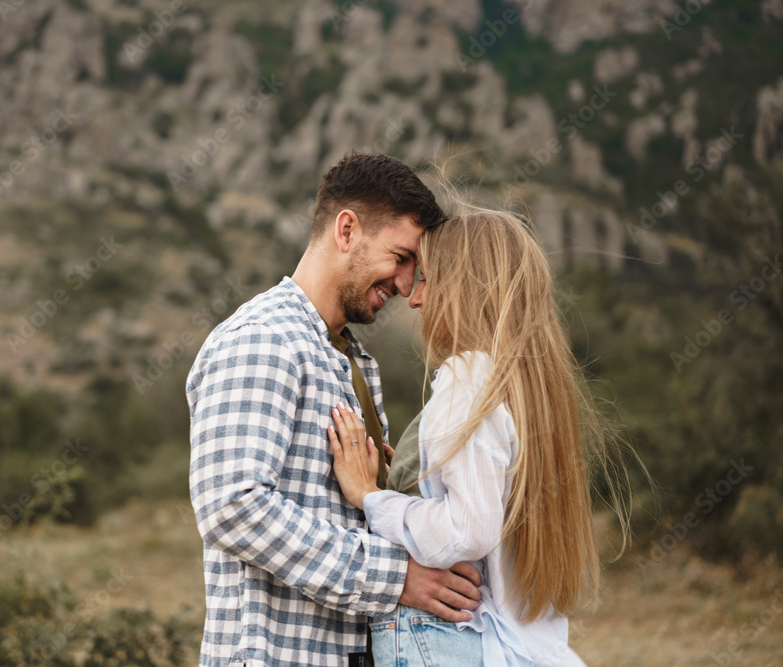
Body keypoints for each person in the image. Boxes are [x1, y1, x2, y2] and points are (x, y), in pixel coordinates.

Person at [187, 153, 485, 667]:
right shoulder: (263, 339)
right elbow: (233, 507)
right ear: (346, 229)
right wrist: (397, 577)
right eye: (401, 256)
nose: (407, 283)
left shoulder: (352, 359)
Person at [327, 201, 629, 666]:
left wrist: (371, 498)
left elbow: (468, 530)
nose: (415, 298)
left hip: (459, 645)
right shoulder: (531, 388)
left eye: (427, 278)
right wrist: (412, 476)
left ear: (466, 288)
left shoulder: (470, 376)